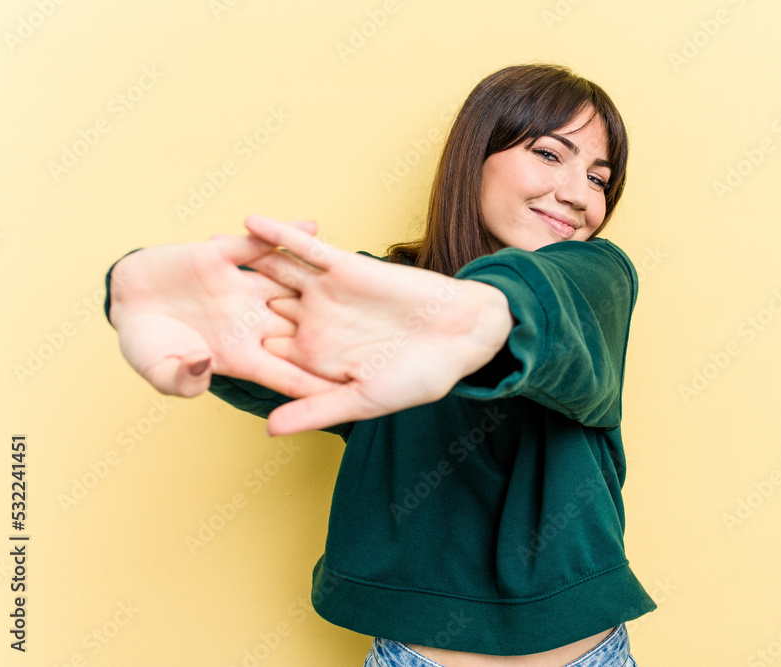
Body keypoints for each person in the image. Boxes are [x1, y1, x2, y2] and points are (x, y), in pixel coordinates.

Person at [105, 64, 654, 666]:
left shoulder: (597, 280)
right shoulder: (375, 302)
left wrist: (474, 318)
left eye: (600, 179)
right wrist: (148, 292)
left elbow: (534, 303)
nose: (580, 195)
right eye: (551, 155)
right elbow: (265, 341)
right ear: (476, 155)